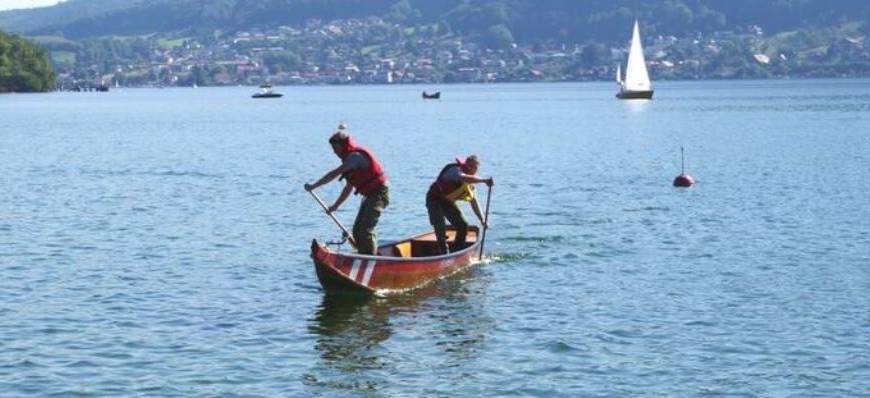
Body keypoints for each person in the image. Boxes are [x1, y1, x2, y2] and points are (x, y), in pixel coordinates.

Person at [304, 125, 389, 255]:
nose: (334, 152)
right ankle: (364, 254)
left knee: (366, 230)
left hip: (379, 193)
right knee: (356, 231)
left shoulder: (355, 157)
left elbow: (334, 174)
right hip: (369, 195)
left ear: (343, 145)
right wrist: (335, 206)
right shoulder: (349, 161)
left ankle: (371, 259)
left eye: (335, 148)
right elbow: (348, 187)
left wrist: (314, 186)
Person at [426, 155, 493, 254]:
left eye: (475, 168)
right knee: (440, 227)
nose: (472, 169)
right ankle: (444, 254)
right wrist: (483, 181)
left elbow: (473, 201)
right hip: (434, 199)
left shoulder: (470, 184)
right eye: (470, 166)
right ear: (465, 164)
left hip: (447, 202)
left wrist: (482, 219)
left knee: (463, 225)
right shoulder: (455, 171)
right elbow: (464, 177)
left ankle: (457, 252)